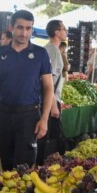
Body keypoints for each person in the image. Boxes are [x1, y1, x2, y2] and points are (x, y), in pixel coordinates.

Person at [0, 10, 53, 171]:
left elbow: (48, 87)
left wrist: (44, 118)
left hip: (29, 116)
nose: (24, 33)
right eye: (20, 27)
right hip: (3, 115)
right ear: (11, 27)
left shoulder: (40, 54)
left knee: (23, 167)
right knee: (6, 162)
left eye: (28, 28)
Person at [40, 19, 66, 163]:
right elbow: (49, 82)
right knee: (49, 137)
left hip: (50, 99)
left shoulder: (51, 49)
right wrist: (53, 105)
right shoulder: (52, 52)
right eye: (64, 29)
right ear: (57, 32)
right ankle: (45, 165)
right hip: (51, 100)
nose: (66, 32)